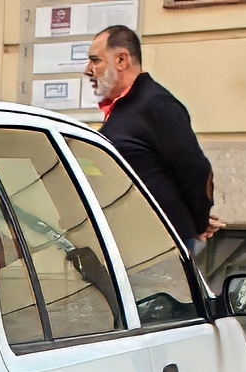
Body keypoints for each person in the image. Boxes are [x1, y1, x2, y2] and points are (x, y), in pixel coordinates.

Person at [84, 25, 223, 252]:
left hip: (160, 245)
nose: (88, 70)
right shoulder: (124, 108)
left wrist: (197, 222)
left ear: (121, 60)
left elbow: (194, 169)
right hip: (131, 239)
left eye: (95, 60)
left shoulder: (157, 104)